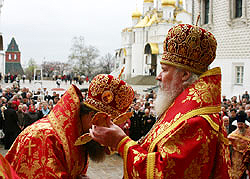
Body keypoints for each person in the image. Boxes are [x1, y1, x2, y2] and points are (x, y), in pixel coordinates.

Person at [90, 24, 231, 178]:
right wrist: (115, 139)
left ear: (184, 74)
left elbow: (164, 173)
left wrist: (121, 142)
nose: (158, 76)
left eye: (164, 69)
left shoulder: (196, 121)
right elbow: (152, 149)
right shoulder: (181, 109)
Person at [5, 74, 134, 179]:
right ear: (93, 117)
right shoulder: (44, 137)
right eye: (109, 125)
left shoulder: (81, 135)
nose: (110, 132)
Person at [228, 111, 250, 178]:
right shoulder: (233, 135)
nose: (240, 126)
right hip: (237, 160)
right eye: (238, 124)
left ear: (244, 123)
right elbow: (228, 141)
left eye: (241, 124)